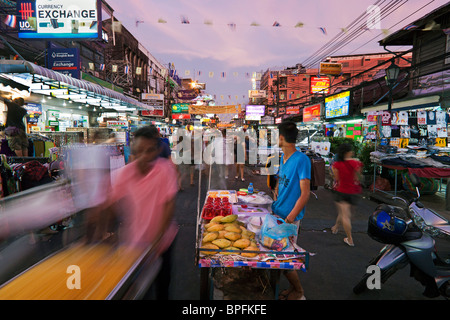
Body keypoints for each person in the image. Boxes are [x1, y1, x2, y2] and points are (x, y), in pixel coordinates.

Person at [100, 125, 179, 299]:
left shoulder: (165, 170)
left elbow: (168, 208)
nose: (145, 156)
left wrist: (155, 243)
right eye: (140, 151)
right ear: (133, 150)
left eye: (150, 151)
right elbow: (109, 203)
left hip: (163, 242)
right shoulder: (124, 174)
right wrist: (108, 232)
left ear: (157, 150)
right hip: (134, 243)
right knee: (137, 291)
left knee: (162, 287)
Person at [272, 121, 311, 300]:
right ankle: (289, 288)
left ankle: (299, 292)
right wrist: (277, 192)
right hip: (278, 213)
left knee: (285, 259)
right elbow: (282, 179)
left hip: (289, 219)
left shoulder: (302, 160)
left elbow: (305, 194)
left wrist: (289, 220)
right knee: (278, 256)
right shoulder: (283, 158)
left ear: (281, 138)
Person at [330, 143, 363, 247]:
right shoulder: (357, 163)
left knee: (345, 215)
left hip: (342, 190)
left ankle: (350, 239)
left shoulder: (337, 165)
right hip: (354, 191)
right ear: (348, 152)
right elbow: (358, 178)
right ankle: (335, 227)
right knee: (345, 212)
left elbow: (337, 179)